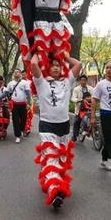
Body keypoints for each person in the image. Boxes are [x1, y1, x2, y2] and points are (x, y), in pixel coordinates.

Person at [31, 53, 82, 210]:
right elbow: (33, 65)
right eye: (52, 65)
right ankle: (55, 192)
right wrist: (39, 53)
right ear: (47, 66)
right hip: (47, 126)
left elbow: (78, 64)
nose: (55, 67)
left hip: (64, 127)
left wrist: (65, 57)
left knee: (60, 160)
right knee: (52, 160)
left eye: (58, 65)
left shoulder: (67, 81)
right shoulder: (41, 82)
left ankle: (52, 181)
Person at [0, 68, 31, 143]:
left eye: (18, 72)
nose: (16, 73)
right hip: (14, 105)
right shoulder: (10, 83)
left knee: (23, 120)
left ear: (20, 74)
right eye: (15, 72)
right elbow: (6, 93)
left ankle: (21, 130)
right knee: (15, 120)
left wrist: (29, 103)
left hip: (23, 104)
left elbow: (28, 94)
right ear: (13, 74)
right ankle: (17, 136)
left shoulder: (24, 83)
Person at [71, 75, 91, 141]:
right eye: (82, 80)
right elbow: (73, 98)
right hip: (80, 109)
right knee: (77, 122)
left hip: (89, 108)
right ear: (80, 81)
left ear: (86, 81)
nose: (83, 81)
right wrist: (79, 100)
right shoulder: (76, 89)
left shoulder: (91, 88)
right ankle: (74, 136)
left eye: (84, 80)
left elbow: (94, 96)